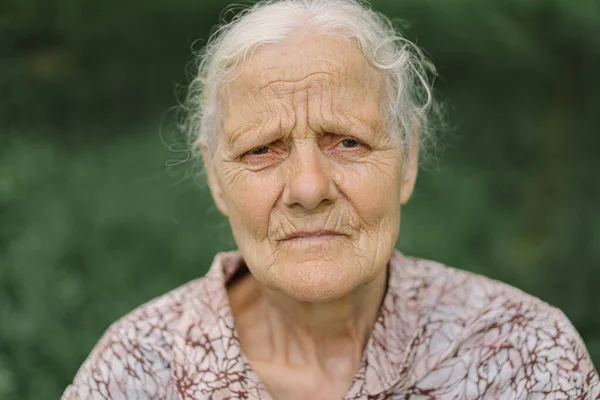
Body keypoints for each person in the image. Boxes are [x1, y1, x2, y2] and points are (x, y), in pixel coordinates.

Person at [62, 0, 599, 399]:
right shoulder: (136, 370)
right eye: (261, 150)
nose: (309, 188)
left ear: (407, 159)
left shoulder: (521, 355)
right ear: (215, 177)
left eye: (348, 141)